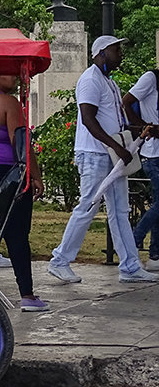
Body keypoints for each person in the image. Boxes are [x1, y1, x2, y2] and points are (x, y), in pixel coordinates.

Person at [49, 36, 158, 283]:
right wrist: (116, 147)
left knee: (120, 210)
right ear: (101, 53)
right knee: (88, 205)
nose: (120, 53)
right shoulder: (89, 80)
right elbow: (88, 119)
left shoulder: (108, 81)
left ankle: (130, 266)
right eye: (116, 49)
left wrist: (137, 132)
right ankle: (60, 260)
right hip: (95, 153)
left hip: (112, 153)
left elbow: (115, 120)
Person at [0, 75, 48, 310]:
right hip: (7, 174)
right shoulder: (8, 103)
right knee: (16, 234)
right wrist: (35, 175)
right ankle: (27, 294)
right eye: (8, 73)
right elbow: (21, 142)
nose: (15, 77)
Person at [124, 68, 159, 272]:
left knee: (157, 205)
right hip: (152, 153)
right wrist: (144, 128)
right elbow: (126, 101)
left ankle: (154, 254)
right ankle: (134, 240)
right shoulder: (151, 78)